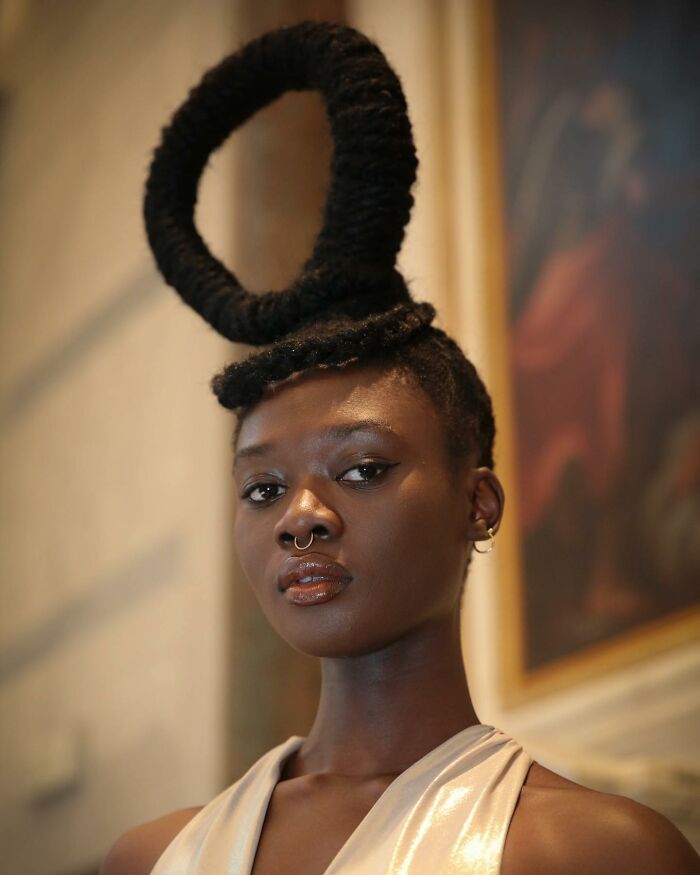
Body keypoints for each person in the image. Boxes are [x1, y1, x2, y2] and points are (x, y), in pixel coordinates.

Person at [100, 22, 700, 875]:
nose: (300, 518)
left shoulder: (598, 852)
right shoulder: (150, 855)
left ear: (477, 501)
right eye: (263, 488)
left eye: (361, 469)